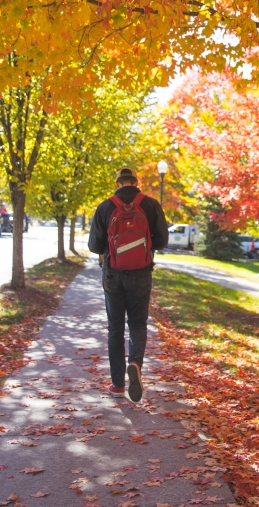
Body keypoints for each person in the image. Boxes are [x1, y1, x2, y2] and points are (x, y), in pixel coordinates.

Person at [89, 167, 168, 402]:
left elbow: (94, 246)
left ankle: (117, 384)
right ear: (136, 182)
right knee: (137, 323)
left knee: (115, 328)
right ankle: (135, 363)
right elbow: (162, 241)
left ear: (117, 182)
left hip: (112, 274)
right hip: (141, 274)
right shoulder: (151, 204)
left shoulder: (106, 206)